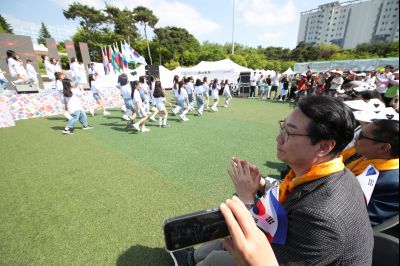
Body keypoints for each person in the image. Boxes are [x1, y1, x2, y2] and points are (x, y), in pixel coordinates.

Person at [193, 95, 373, 265]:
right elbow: (296, 192)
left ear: (324, 146)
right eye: (283, 128)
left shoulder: (320, 217)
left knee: (216, 258)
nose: (279, 138)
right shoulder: (331, 172)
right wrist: (262, 186)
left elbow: (267, 259)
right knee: (214, 247)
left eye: (290, 133)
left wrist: (246, 199)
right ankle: (191, 258)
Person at [341, 119, 399, 226]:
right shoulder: (366, 154)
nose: (356, 137)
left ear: (383, 147)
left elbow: (358, 220)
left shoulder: (391, 184)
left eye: (361, 135)